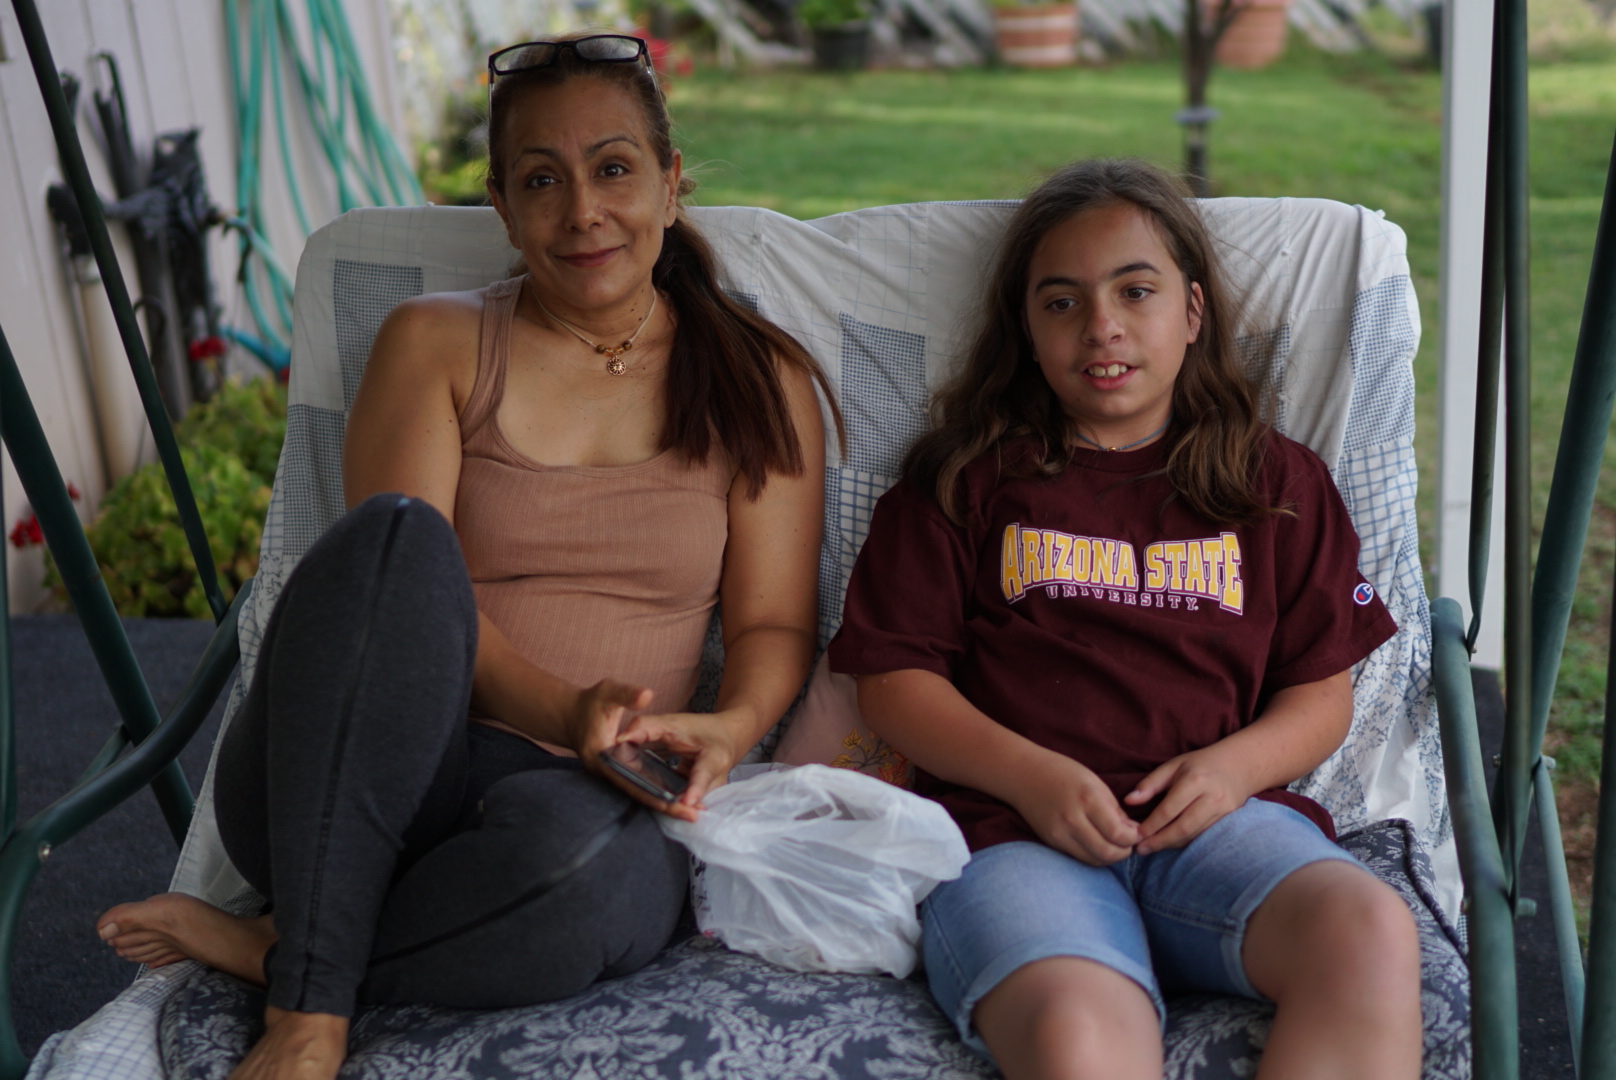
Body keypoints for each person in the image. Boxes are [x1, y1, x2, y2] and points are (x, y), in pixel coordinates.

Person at [96, 33, 838, 1080]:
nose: (582, 211)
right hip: (350, 767)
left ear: (671, 186)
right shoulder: (436, 342)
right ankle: (309, 1010)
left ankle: (282, 948)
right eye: (541, 180)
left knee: (591, 879)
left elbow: (772, 623)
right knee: (396, 534)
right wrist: (564, 711)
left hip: (573, 798)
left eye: (613, 169)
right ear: (500, 206)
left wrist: (727, 726)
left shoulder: (757, 379)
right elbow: (389, 594)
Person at [828, 159, 1422, 1080]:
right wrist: (1032, 778)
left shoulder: (1275, 482)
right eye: (1061, 302)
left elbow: (1321, 696)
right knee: (1080, 1032)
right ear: (1027, 331)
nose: (1101, 325)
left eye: (1135, 291)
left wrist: (1232, 771)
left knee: (1369, 928)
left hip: (1220, 827)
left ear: (1192, 312)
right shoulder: (962, 480)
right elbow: (894, 685)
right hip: (1014, 835)